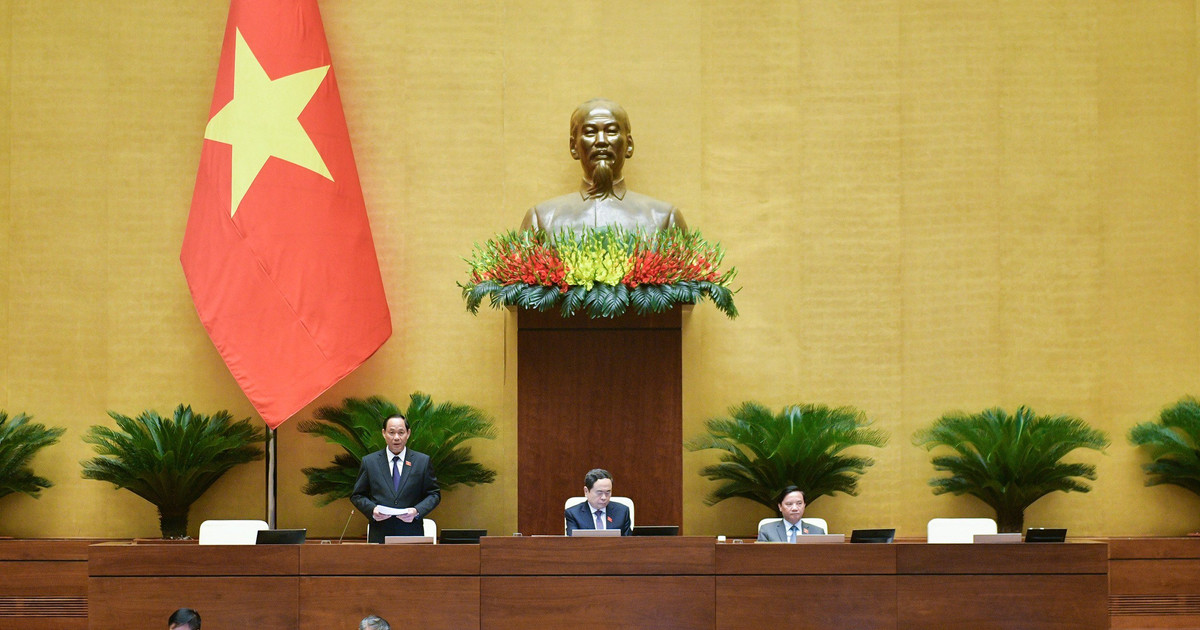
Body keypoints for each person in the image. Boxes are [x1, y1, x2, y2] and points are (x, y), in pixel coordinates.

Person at [521, 98, 687, 236]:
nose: (601, 141)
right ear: (573, 147)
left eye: (612, 131)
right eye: (590, 132)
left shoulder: (663, 218)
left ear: (629, 145)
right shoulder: (542, 219)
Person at [350, 413, 440, 543]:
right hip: (380, 534)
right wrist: (372, 510)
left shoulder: (422, 461)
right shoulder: (370, 462)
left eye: (401, 432)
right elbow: (357, 495)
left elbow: (434, 494)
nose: (396, 437)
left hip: (411, 533)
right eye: (391, 432)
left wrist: (417, 511)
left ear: (408, 433)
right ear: (383, 433)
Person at [564, 468, 632, 536]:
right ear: (586, 491)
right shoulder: (573, 514)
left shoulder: (622, 512)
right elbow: (573, 544)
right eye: (599, 492)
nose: (604, 497)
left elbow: (628, 542)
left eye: (608, 492)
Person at [757, 485, 825, 542]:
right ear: (780, 506)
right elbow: (761, 556)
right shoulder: (767, 530)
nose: (795, 508)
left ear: (804, 505)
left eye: (799, 503)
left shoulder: (818, 532)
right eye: (789, 504)